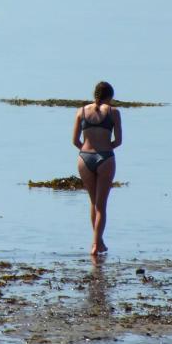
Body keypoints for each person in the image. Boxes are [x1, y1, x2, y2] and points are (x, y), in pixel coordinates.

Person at [73, 81, 123, 256]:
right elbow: (118, 141)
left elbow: (75, 141)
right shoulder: (113, 112)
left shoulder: (81, 111)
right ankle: (95, 245)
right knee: (101, 206)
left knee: (93, 203)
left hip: (84, 158)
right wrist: (104, 148)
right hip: (105, 157)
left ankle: (98, 242)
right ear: (109, 97)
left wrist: (88, 149)